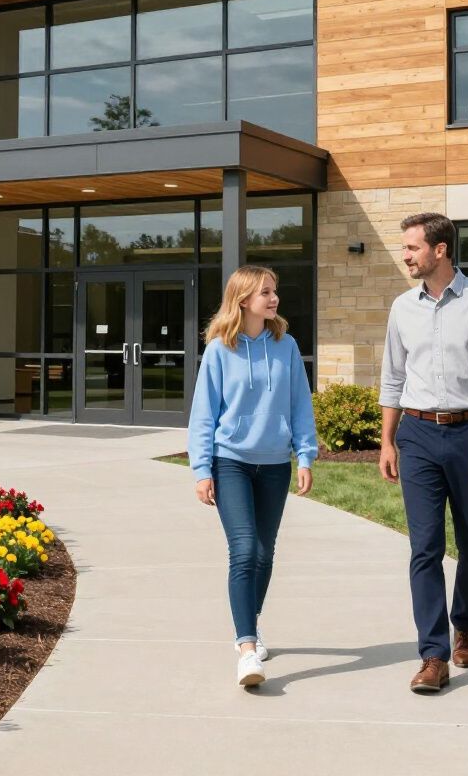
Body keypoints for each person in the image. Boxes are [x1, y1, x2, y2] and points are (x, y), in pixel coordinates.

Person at [378, 212, 468, 694]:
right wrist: (387, 440)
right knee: (425, 547)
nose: (405, 255)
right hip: (417, 436)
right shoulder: (402, 308)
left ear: (440, 250)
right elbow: (393, 379)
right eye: (405, 247)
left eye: (412, 247)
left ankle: (465, 626)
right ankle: (433, 654)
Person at [188, 264, 318, 688]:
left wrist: (306, 456)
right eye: (265, 291)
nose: (273, 297)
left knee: (264, 553)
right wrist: (201, 469)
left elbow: (301, 406)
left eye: (274, 290)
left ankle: (251, 623)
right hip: (231, 461)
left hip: (275, 464)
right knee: (244, 550)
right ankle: (246, 649)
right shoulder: (218, 351)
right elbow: (203, 414)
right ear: (243, 299)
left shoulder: (286, 346)